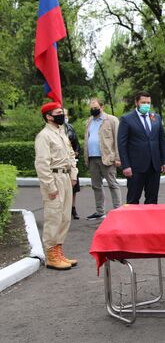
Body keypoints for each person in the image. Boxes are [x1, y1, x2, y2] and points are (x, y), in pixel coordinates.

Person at [34, 102, 78, 270]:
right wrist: (50, 187)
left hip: (65, 177)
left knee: (65, 217)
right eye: (58, 112)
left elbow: (71, 154)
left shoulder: (61, 133)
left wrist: (73, 174)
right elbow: (42, 164)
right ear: (49, 116)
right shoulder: (44, 136)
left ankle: (58, 251)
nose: (62, 115)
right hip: (53, 178)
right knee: (54, 216)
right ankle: (51, 255)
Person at [117, 91, 165, 204]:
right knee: (133, 199)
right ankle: (132, 222)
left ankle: (150, 221)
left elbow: (162, 141)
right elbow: (122, 144)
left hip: (154, 166)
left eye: (148, 103)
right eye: (143, 102)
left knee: (152, 199)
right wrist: (125, 166)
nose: (146, 105)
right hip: (135, 168)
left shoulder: (156, 118)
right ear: (136, 102)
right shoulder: (127, 119)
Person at [83, 98, 122, 220]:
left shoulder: (111, 120)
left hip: (107, 158)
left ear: (102, 107)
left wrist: (118, 157)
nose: (93, 110)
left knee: (113, 184)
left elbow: (117, 140)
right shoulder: (89, 121)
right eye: (91, 108)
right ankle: (100, 211)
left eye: (95, 107)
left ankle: (118, 210)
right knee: (96, 186)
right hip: (92, 158)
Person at [63, 108, 81, 220]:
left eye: (65, 115)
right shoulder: (54, 131)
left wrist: (77, 152)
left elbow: (76, 143)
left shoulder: (70, 128)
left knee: (74, 187)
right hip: (61, 164)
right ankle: (64, 209)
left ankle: (73, 208)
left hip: (72, 162)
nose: (64, 117)